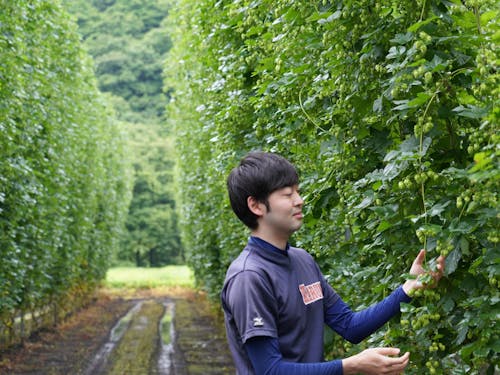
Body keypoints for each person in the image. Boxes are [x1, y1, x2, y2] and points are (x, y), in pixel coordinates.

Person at [221, 151, 445, 375]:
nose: (300, 201)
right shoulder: (249, 277)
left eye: (298, 192)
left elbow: (350, 326)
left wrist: (409, 287)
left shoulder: (303, 261)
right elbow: (270, 370)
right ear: (256, 206)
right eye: (288, 194)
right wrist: (351, 365)